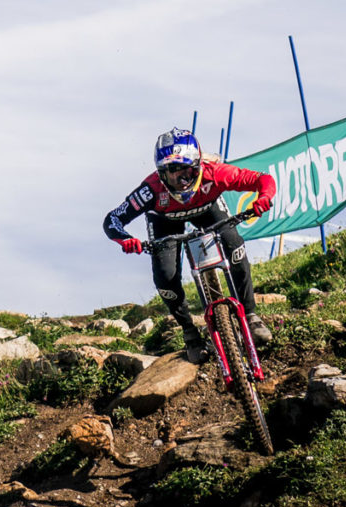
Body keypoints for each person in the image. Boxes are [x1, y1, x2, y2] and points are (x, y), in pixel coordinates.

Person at [103, 128, 276, 354]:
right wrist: (126, 240)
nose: (180, 180)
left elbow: (263, 179)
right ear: (160, 173)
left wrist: (264, 197)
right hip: (164, 220)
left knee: (234, 244)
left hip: (207, 208)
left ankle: (251, 315)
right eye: (171, 171)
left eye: (186, 170)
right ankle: (189, 331)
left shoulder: (214, 173)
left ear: (198, 165)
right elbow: (112, 219)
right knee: (165, 277)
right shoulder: (151, 190)